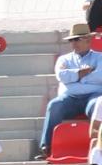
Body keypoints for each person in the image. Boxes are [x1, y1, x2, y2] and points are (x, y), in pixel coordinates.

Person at [38, 24, 102, 158]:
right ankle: (46, 147)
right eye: (71, 40)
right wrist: (81, 73)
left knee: (98, 105)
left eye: (77, 39)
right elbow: (61, 75)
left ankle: (99, 147)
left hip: (94, 96)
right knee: (54, 105)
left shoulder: (100, 57)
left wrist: (74, 77)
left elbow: (100, 76)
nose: (73, 43)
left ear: (88, 40)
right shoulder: (64, 59)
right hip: (69, 97)